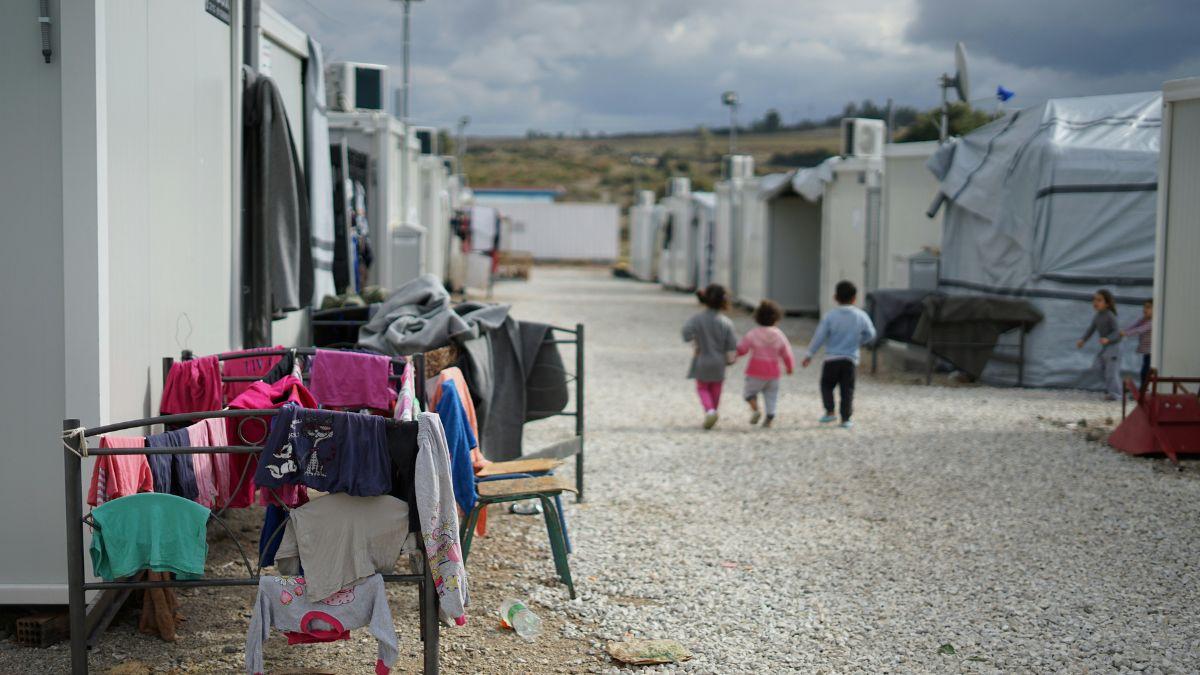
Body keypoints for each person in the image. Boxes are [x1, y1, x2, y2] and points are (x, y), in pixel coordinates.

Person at [801, 281, 876, 429]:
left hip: (831, 359)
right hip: (850, 359)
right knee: (847, 389)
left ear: (835, 297)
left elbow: (819, 336)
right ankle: (845, 419)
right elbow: (871, 334)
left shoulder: (830, 316)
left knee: (826, 385)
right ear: (855, 298)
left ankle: (830, 411)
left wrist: (809, 354)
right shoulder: (860, 315)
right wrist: (860, 341)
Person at [683, 284, 738, 430]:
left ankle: (710, 411)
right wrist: (731, 358)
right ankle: (714, 410)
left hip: (702, 359)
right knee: (716, 388)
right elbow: (732, 344)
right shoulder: (726, 322)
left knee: (702, 387)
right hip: (719, 362)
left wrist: (695, 341)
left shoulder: (697, 319)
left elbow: (686, 333)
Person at [736, 300, 794, 428]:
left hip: (755, 371)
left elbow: (742, 349)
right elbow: (787, 352)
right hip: (774, 373)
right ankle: (770, 415)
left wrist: (734, 354)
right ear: (777, 318)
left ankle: (756, 409)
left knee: (749, 393)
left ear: (757, 317)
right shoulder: (779, 335)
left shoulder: (753, 334)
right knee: (771, 395)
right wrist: (789, 367)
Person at [1076, 289, 1123, 400]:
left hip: (1114, 347)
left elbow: (1118, 332)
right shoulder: (1098, 316)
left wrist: (1108, 339)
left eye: (1099, 300)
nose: (1095, 302)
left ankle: (1116, 395)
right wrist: (1083, 340)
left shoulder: (1110, 315)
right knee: (1097, 367)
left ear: (1107, 304)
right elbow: (1091, 329)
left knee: (1111, 372)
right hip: (1105, 348)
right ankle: (1115, 389)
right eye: (1094, 300)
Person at [1121, 299, 1153, 389]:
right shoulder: (1144, 320)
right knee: (1144, 371)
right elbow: (1135, 326)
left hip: (1151, 352)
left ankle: (1144, 389)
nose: (1144, 309)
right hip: (1146, 352)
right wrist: (1125, 331)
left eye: (1148, 307)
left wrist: (1126, 333)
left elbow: (1140, 330)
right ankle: (1144, 389)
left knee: (1145, 372)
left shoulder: (1153, 322)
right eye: (1144, 307)